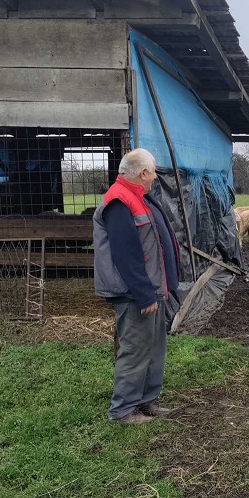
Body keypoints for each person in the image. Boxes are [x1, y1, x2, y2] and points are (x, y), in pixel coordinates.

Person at [93, 149, 180, 424]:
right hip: (135, 294)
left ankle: (145, 401)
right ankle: (122, 410)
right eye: (152, 172)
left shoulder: (138, 197)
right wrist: (143, 294)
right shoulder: (119, 202)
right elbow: (126, 254)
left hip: (151, 289)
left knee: (153, 347)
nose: (154, 177)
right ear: (143, 173)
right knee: (135, 349)